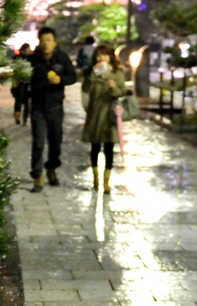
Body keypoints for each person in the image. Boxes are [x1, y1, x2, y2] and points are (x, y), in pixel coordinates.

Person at [28, 27, 77, 192]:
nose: (45, 43)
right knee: (38, 142)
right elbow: (23, 83)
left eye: (49, 40)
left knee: (55, 142)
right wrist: (18, 106)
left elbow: (73, 77)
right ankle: (37, 175)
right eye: (43, 40)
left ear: (54, 42)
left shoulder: (62, 58)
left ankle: (51, 169)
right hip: (37, 107)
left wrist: (60, 79)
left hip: (56, 107)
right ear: (39, 42)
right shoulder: (33, 60)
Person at [81, 44, 126, 193]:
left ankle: (106, 182)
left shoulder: (117, 72)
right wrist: (92, 74)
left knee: (109, 148)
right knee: (94, 147)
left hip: (109, 116)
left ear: (110, 57)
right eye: (99, 56)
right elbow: (85, 88)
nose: (102, 58)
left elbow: (121, 92)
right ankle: (96, 178)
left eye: (105, 55)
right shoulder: (91, 72)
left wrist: (113, 87)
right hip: (95, 114)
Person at [12, 43, 32, 125]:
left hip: (19, 82)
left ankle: (17, 116)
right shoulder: (29, 58)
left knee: (18, 100)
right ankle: (24, 120)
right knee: (26, 102)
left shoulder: (16, 57)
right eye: (29, 49)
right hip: (26, 82)